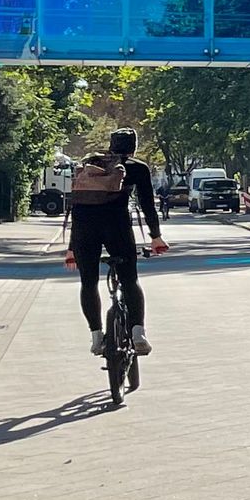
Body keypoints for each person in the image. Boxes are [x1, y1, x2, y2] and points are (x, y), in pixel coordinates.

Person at [64, 129, 166, 356]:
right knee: (130, 279)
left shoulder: (90, 165)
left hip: (84, 230)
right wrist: (155, 237)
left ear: (111, 145)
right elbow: (147, 204)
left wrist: (72, 248)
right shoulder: (137, 168)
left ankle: (96, 336)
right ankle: (138, 334)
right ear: (133, 148)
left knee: (88, 283)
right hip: (116, 227)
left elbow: (77, 207)